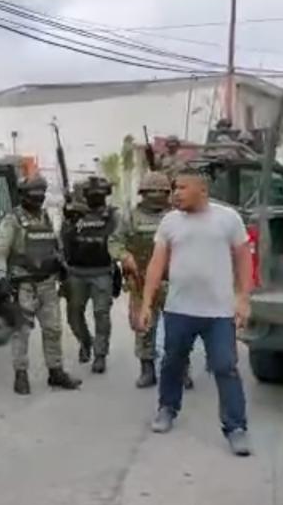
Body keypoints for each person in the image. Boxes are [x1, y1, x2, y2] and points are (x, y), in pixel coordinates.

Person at [139, 167, 252, 456]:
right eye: (174, 188)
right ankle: (167, 408)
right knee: (172, 362)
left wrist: (243, 297)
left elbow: (243, 259)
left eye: (182, 188)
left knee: (225, 367)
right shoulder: (170, 222)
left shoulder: (228, 219)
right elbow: (156, 264)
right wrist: (146, 303)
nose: (175, 193)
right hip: (179, 308)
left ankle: (236, 427)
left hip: (218, 312)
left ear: (203, 190)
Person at [0, 174, 81, 395]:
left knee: (53, 329)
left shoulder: (45, 217)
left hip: (47, 283)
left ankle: (56, 371)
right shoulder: (12, 220)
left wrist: (62, 266)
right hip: (23, 285)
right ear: (24, 195)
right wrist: (1, 278)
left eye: (41, 195)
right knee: (21, 332)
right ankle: (20, 374)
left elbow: (55, 246)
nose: (38, 199)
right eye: (34, 195)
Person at [111, 171, 180, 389]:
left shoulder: (177, 216)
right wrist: (124, 255)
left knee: (178, 328)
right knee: (144, 327)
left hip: (174, 280)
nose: (157, 195)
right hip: (141, 281)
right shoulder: (131, 217)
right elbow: (114, 241)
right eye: (152, 191)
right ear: (143, 193)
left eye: (161, 192)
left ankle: (180, 370)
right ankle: (147, 369)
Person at [61, 175, 118, 374]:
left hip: (102, 272)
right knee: (73, 314)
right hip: (76, 272)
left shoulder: (111, 215)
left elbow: (118, 236)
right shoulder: (74, 215)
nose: (96, 197)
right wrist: (69, 218)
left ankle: (100, 354)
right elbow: (64, 242)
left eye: (99, 194)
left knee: (101, 314)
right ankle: (86, 342)